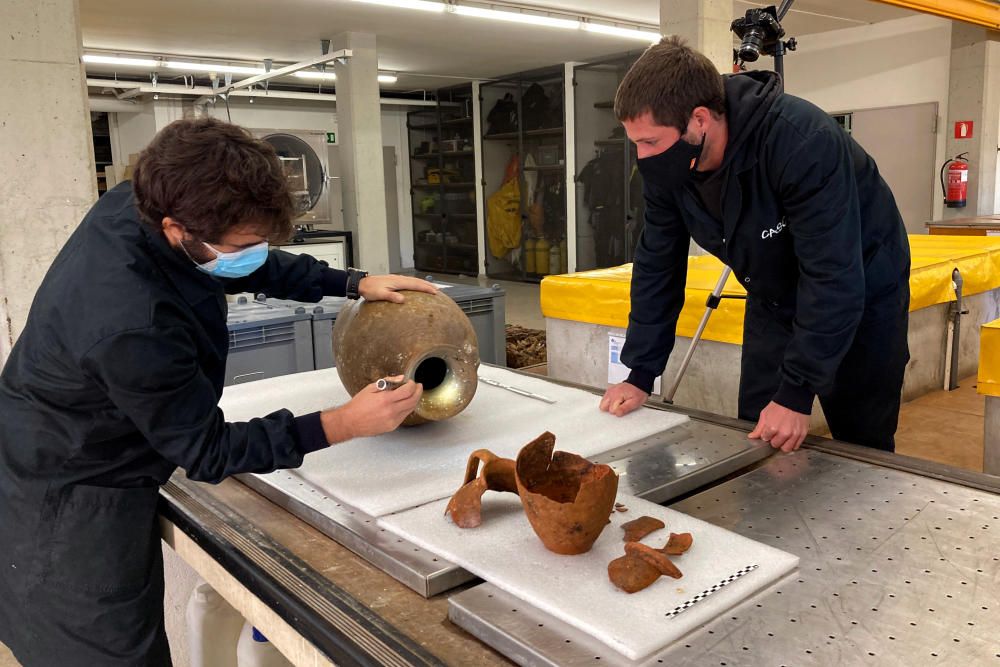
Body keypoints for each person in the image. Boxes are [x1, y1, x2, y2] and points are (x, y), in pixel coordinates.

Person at [0, 117, 438, 666]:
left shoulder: (142, 203)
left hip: (60, 432)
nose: (254, 253)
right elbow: (207, 451)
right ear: (175, 228)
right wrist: (345, 422)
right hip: (72, 495)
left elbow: (241, 260)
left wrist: (348, 282)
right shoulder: (134, 321)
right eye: (244, 245)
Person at [599, 37, 910, 454]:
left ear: (699, 119)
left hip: (863, 289)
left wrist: (797, 394)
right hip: (773, 291)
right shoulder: (671, 170)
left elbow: (833, 274)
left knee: (862, 438)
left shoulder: (802, 141)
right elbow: (657, 263)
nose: (643, 156)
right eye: (634, 141)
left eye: (651, 142)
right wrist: (641, 372)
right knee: (757, 428)